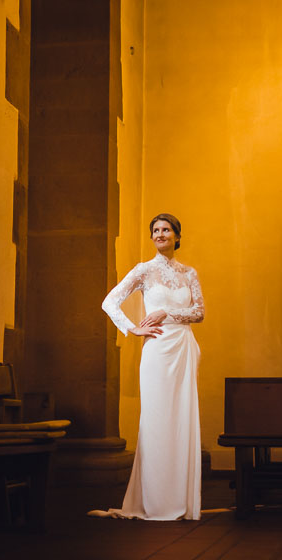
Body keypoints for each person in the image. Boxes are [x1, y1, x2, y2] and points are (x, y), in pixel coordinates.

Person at [96, 213, 205, 520]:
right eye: (155, 230)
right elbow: (109, 302)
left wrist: (164, 311)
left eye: (166, 229)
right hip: (157, 351)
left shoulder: (189, 273)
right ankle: (156, 501)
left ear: (176, 236)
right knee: (156, 421)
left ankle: (181, 501)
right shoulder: (144, 271)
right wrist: (133, 328)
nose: (160, 234)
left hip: (183, 348)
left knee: (181, 419)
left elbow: (199, 312)